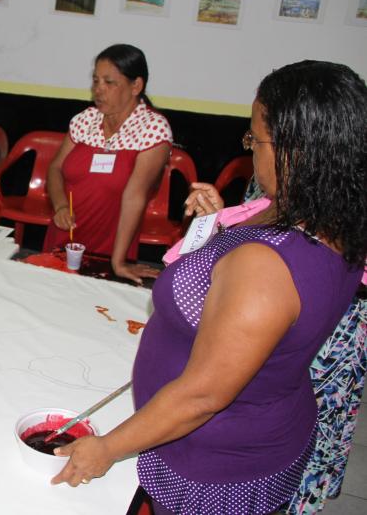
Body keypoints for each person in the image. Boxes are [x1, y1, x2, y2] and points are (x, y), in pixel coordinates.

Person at [51, 60, 367, 515]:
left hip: (213, 465)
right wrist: (215, 230)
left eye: (254, 139)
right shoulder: (326, 216)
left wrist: (107, 449)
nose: (250, 151)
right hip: (259, 429)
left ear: (295, 151)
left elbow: (202, 396)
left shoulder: (267, 267)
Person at [180, 180, 367, 515]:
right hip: (266, 307)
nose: (251, 149)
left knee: (293, 422)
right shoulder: (276, 173)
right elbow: (263, 228)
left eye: (257, 139)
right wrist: (225, 222)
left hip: (323, 323)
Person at [44, 44, 171, 284]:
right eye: (95, 81)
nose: (98, 90)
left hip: (111, 246)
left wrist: (118, 261)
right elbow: (55, 168)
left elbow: (136, 195)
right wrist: (60, 206)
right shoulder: (85, 119)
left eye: (109, 83)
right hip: (65, 237)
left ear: (136, 86)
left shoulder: (152, 129)